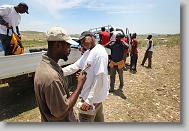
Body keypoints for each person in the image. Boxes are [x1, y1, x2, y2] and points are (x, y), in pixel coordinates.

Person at [34, 26, 87, 122]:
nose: (70, 49)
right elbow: (61, 113)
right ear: (58, 45)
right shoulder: (51, 78)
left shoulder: (45, 65)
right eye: (68, 46)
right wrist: (79, 85)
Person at [62, 31, 109, 122]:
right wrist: (59, 72)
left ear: (92, 36)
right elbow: (75, 66)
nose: (82, 43)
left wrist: (88, 101)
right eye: (81, 42)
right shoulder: (88, 52)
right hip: (94, 98)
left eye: (84, 40)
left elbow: (100, 78)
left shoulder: (99, 52)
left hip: (90, 100)